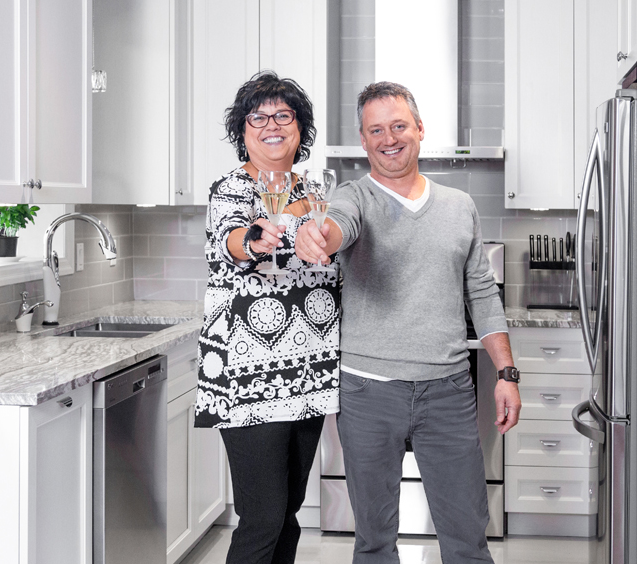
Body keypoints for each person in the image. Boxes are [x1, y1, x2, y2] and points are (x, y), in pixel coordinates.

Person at [294, 81, 522, 563]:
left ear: (419, 128)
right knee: (374, 543)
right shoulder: (354, 197)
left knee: (468, 541)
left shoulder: (459, 206)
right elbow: (337, 226)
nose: (389, 138)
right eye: (376, 130)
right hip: (367, 392)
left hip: (448, 392)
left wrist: (506, 373)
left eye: (398, 126)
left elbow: (482, 293)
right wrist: (318, 236)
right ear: (363, 139)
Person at [194, 70, 340, 564]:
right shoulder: (232, 188)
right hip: (250, 375)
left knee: (288, 513)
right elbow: (234, 240)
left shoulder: (318, 188)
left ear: (300, 127)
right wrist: (256, 239)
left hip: (310, 370)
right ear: (243, 129)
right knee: (262, 517)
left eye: (283, 115)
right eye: (258, 117)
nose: (271, 125)